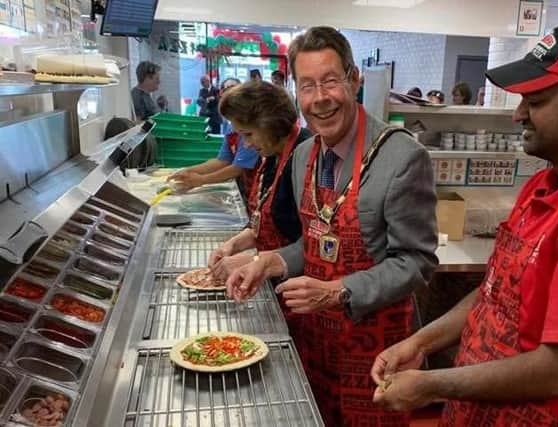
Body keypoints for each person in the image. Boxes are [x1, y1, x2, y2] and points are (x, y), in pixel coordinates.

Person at [371, 20, 558, 427]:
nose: (517, 115)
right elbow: (496, 291)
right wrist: (420, 342)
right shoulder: (541, 184)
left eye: (536, 101)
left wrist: (432, 385)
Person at [225, 26, 439, 426]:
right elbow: (316, 240)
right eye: (307, 86)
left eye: (330, 81)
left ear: (353, 79)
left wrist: (338, 291)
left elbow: (416, 261)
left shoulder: (402, 157)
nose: (320, 98)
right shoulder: (305, 155)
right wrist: (271, 261)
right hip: (315, 344)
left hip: (374, 350)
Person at [207, 80, 312, 278]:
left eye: (248, 134)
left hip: (301, 286)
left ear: (270, 123)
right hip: (272, 277)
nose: (246, 145)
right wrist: (233, 244)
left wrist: (255, 260)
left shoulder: (307, 158)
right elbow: (263, 222)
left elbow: (317, 243)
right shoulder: (272, 155)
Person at [168, 78, 260, 196]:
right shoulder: (229, 124)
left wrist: (201, 180)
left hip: (255, 185)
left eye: (234, 90)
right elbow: (223, 160)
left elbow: (239, 167)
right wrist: (188, 171)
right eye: (225, 90)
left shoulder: (250, 126)